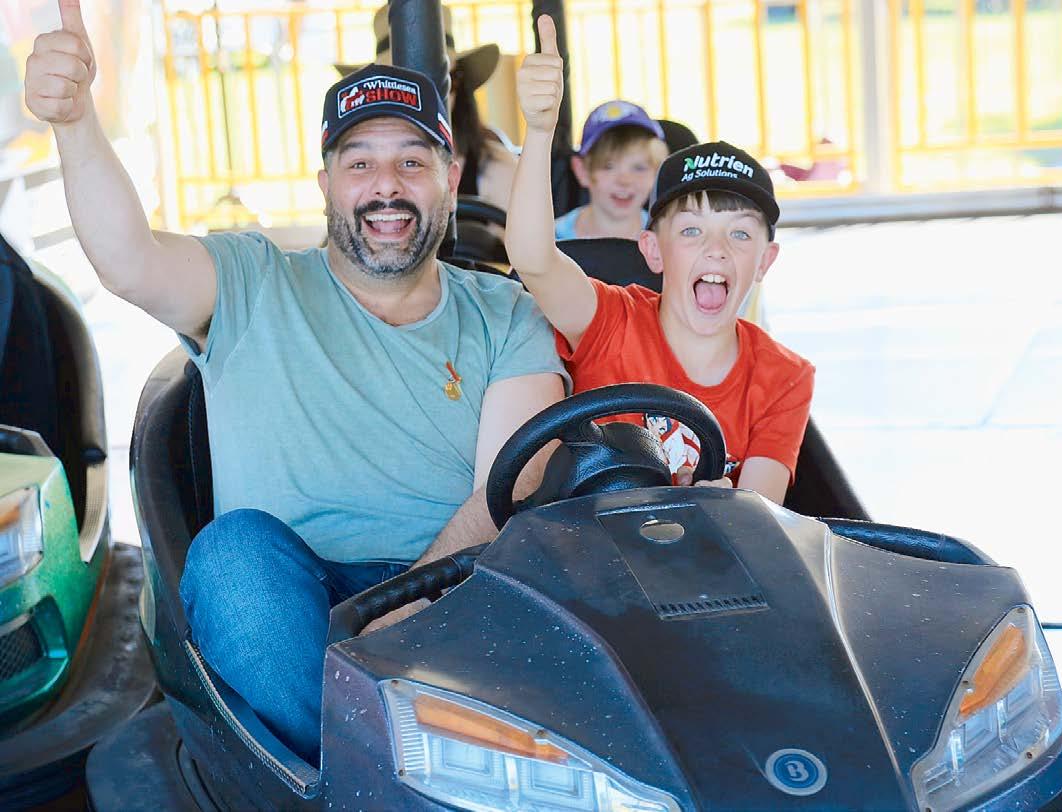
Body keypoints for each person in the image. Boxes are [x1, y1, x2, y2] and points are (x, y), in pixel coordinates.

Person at [25, 0, 567, 765]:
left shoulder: (504, 310)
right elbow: (128, 260)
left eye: (413, 163)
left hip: (454, 589)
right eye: (360, 164)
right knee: (232, 559)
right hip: (286, 599)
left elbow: (510, 484)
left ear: (451, 178)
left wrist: (406, 608)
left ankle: (377, 766)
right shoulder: (253, 280)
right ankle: (377, 765)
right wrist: (76, 122)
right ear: (325, 182)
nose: (387, 186)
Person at [508, 16, 813, 505]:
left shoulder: (784, 376)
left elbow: (761, 514)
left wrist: (719, 507)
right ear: (652, 249)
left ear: (765, 261)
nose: (716, 249)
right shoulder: (610, 321)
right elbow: (533, 259)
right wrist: (540, 131)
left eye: (739, 233)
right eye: (691, 230)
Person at [337, 4, 518, 211]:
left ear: (459, 85)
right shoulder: (357, 178)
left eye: (444, 82)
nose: (426, 100)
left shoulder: (496, 169)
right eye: (406, 88)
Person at [553, 99, 666, 241]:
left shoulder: (666, 240)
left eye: (639, 168)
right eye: (608, 166)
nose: (625, 181)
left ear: (657, 172)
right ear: (582, 171)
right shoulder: (550, 241)